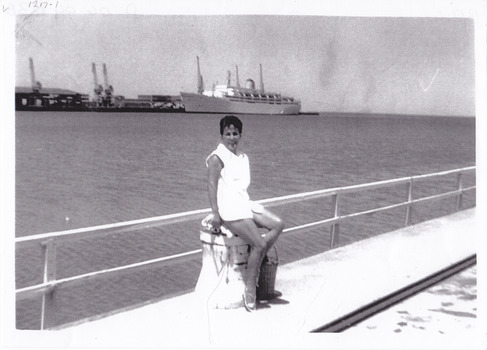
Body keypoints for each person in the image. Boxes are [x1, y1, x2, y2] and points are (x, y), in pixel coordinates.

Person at [206, 115, 285, 311]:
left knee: (278, 224)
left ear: (240, 134)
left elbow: (241, 188)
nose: (232, 138)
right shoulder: (217, 157)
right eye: (227, 134)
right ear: (221, 135)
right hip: (229, 210)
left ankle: (255, 259)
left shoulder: (242, 157)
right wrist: (215, 213)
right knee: (259, 243)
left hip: (244, 204)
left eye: (235, 134)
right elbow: (211, 185)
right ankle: (250, 288)